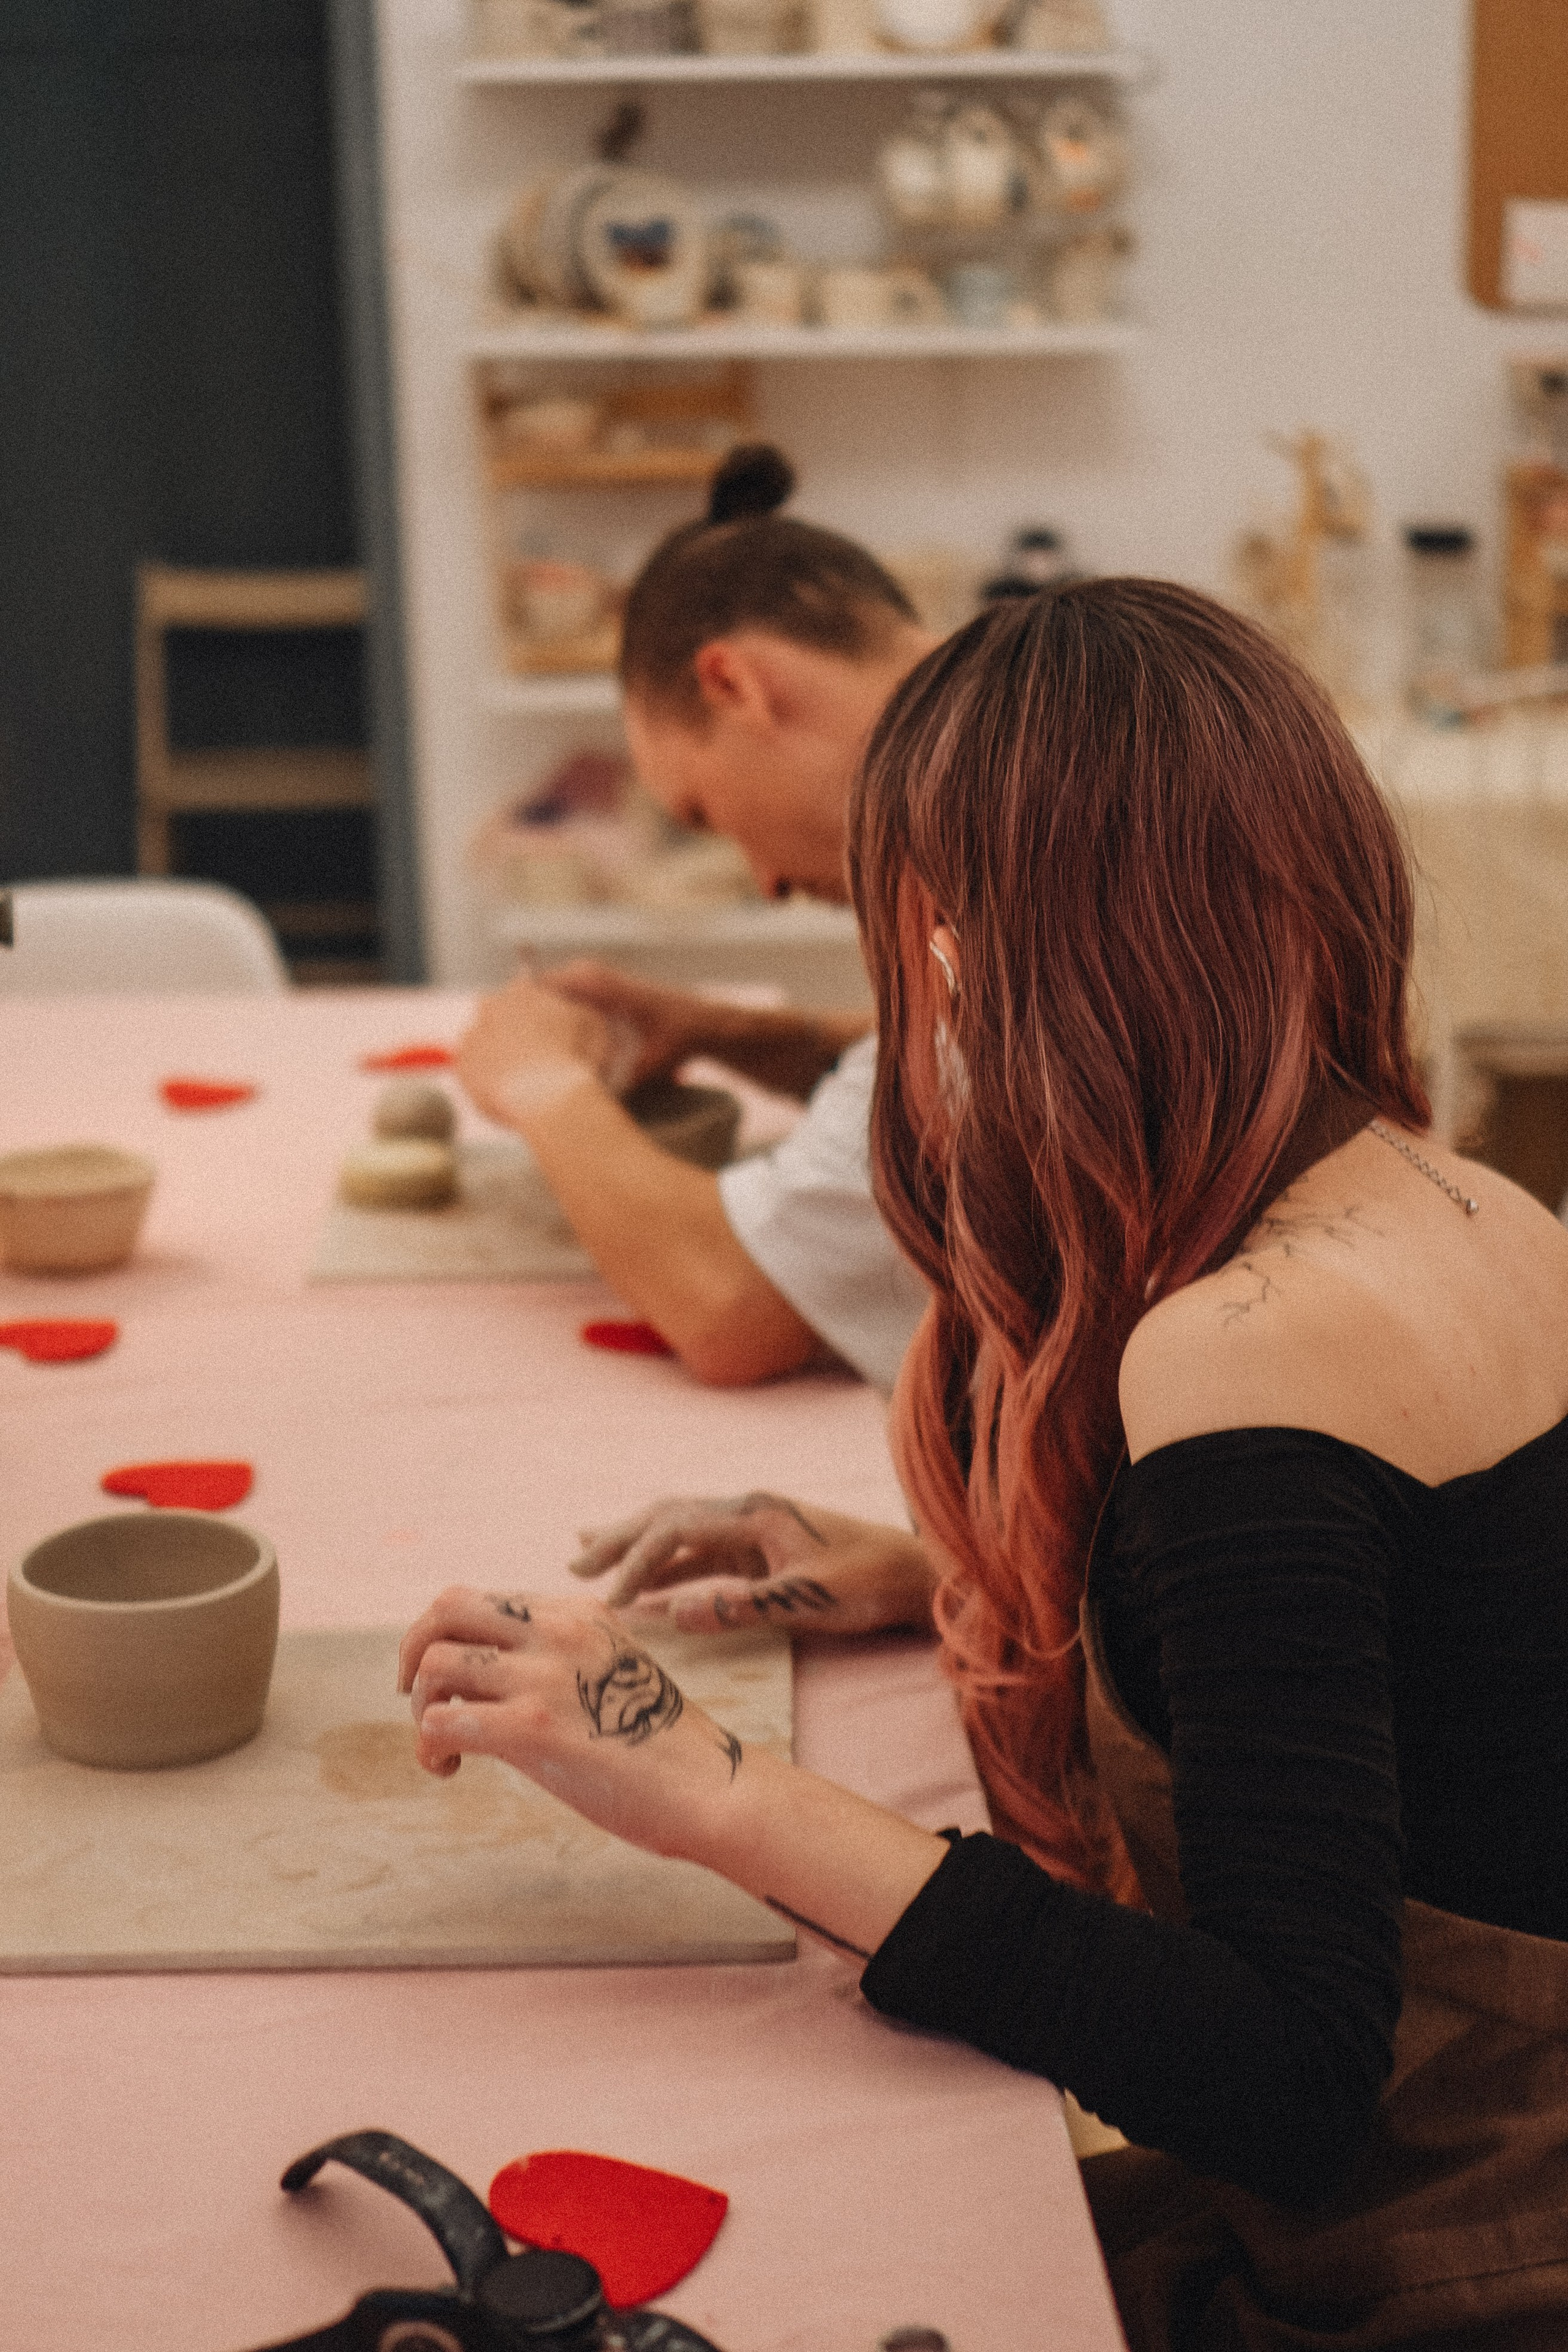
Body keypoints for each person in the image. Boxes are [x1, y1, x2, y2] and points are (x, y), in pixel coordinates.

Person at [402, 579, 1568, 2350]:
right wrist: (917, 1561)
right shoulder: (1468, 1196)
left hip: (1459, 2260)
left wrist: (711, 1784)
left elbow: (1283, 2074)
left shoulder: (1254, 1350)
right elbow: (1404, 1676)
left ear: (965, 945)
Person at [458, 445, 937, 1392]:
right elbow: (963, 1086)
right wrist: (730, 1033)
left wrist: (542, 1084)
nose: (763, 882)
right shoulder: (1025, 728)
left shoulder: (1002, 854)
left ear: (734, 685)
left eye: (705, 815)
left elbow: (733, 1306)